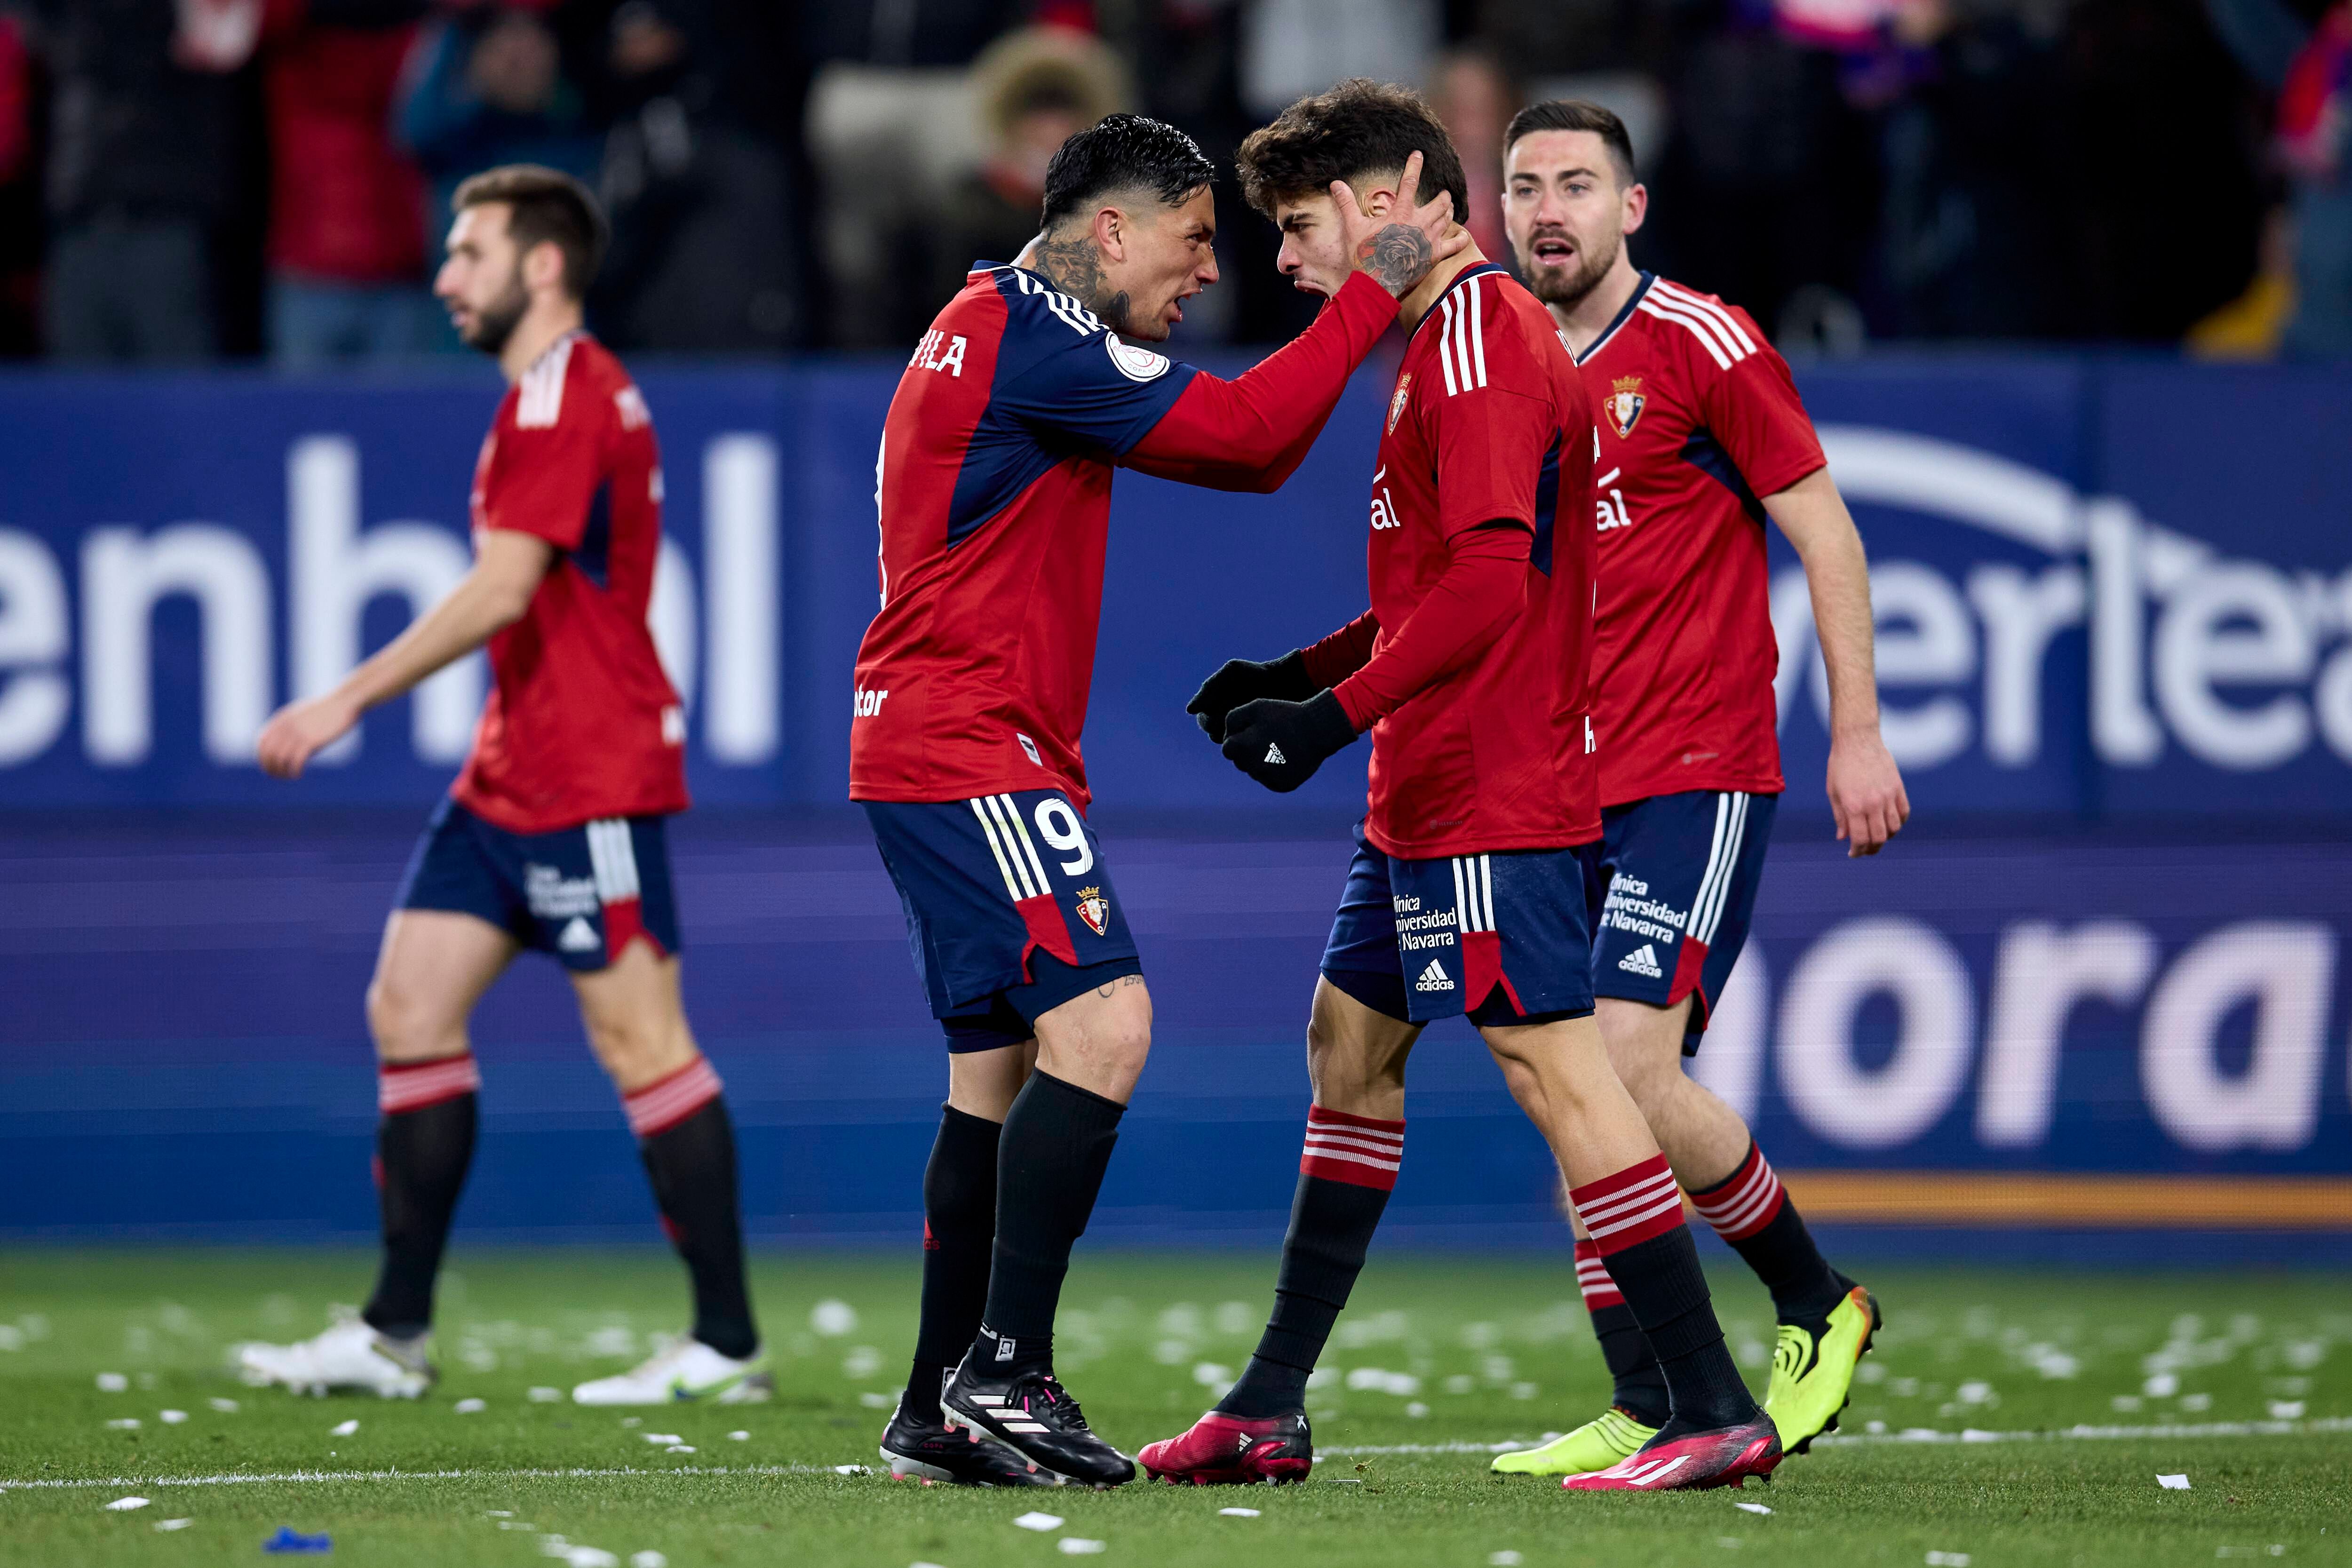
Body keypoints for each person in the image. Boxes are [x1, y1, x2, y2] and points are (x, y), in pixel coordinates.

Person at [1137, 80, 1780, 1495]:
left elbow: (1496, 583)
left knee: (1562, 1071)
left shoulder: (1480, 336)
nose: (1289, 261)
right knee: (1345, 1049)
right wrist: (1293, 672)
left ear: (1385, 206)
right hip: (1423, 786)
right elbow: (1445, 577)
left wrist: (1331, 717)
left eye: (1302, 228)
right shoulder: (1439, 344)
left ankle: (1713, 1403)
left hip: (1489, 779)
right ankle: (1268, 1406)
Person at [854, 112, 1463, 1488]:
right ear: (1111, 229)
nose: (1206, 278)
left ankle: (936, 1407)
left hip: (931, 740)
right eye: (1193, 243)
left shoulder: (979, 321)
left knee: (991, 1086)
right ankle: (1003, 1373)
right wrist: (1378, 281)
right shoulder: (1032, 332)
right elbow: (1253, 441)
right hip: (971, 744)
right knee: (1109, 1024)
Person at [234, 166, 763, 1408]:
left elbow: (502, 588)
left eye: (468, 253)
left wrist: (343, 700)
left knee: (642, 1043)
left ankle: (728, 1344)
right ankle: (393, 1333)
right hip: (508, 775)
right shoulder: (560, 394)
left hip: (593, 778)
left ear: (540, 265)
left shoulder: (563, 395)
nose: (443, 277)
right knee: (407, 1005)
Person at [1484, 100, 1906, 1479]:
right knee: (1571, 1081)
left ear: (1633, 207)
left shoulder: (1704, 345)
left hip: (1695, 765)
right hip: (1555, 778)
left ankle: (1813, 1297)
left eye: (1579, 185)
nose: (1552, 209)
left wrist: (1859, 734)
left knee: (1617, 1061)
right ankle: (1651, 1395)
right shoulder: (1494, 361)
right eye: (1528, 185)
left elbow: (1826, 535)